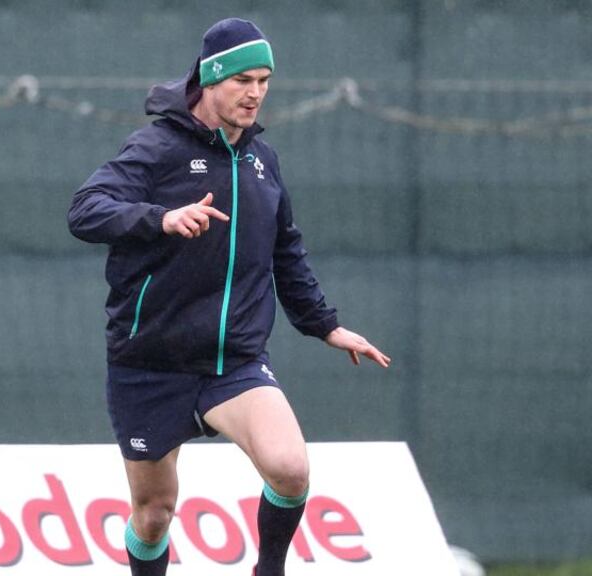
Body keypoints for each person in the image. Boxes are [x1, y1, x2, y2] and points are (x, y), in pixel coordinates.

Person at [67, 17, 391, 576]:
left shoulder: (262, 160)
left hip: (233, 363)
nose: (255, 92)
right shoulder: (157, 148)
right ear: (210, 80)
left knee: (289, 469)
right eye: (243, 79)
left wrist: (324, 325)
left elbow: (284, 250)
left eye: (264, 80)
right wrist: (160, 217)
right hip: (151, 363)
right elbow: (85, 210)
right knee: (153, 514)